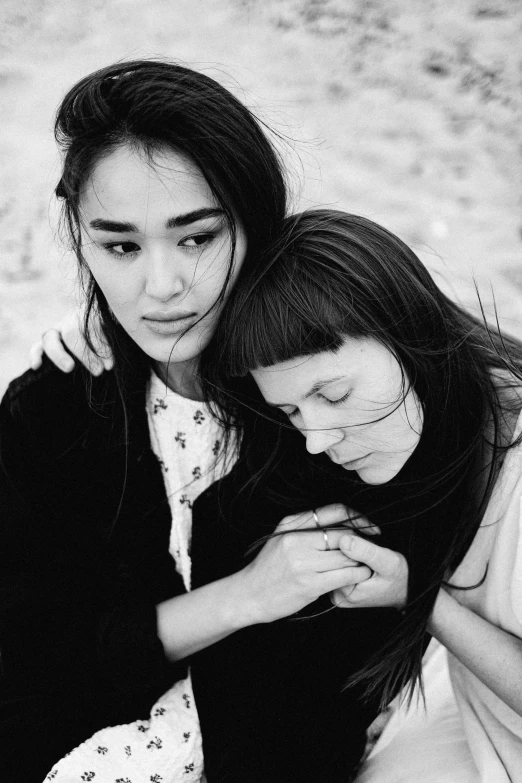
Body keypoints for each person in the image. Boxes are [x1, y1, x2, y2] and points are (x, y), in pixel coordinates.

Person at [1, 62, 402, 783]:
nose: (161, 287)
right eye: (120, 246)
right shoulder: (51, 413)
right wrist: (247, 594)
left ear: (253, 219)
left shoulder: (323, 397)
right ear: (82, 241)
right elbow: (33, 671)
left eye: (196, 237)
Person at [199, 208, 522, 782]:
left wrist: (420, 600)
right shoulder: (448, 415)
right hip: (482, 713)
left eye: (334, 393)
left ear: (409, 334)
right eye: (292, 410)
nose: (316, 440)